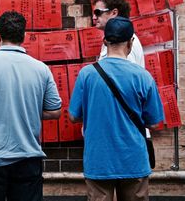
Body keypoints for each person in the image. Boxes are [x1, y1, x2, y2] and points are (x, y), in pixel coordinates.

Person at [0, 11, 62, 201]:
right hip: (28, 158)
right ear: (24, 36)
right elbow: (55, 111)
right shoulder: (41, 68)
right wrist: (27, 108)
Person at [69, 17, 164, 201]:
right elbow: (154, 122)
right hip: (134, 159)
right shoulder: (143, 77)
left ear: (105, 41)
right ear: (131, 42)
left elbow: (73, 116)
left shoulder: (87, 74)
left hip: (99, 160)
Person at [93, 0, 145, 67]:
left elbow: (124, 75)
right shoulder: (112, 38)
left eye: (98, 12)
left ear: (114, 13)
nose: (94, 17)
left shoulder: (125, 41)